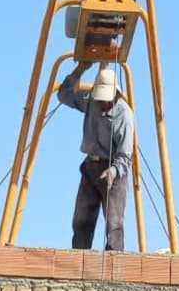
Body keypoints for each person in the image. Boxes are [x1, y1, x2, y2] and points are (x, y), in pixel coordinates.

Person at [56, 62, 134, 252]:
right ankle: (79, 261)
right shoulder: (92, 101)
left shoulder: (124, 115)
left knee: (114, 225)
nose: (102, 103)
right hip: (91, 166)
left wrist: (113, 171)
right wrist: (81, 69)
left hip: (114, 170)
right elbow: (64, 95)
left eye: (106, 100)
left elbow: (125, 155)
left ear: (116, 94)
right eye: (100, 99)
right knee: (81, 220)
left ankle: (113, 267)